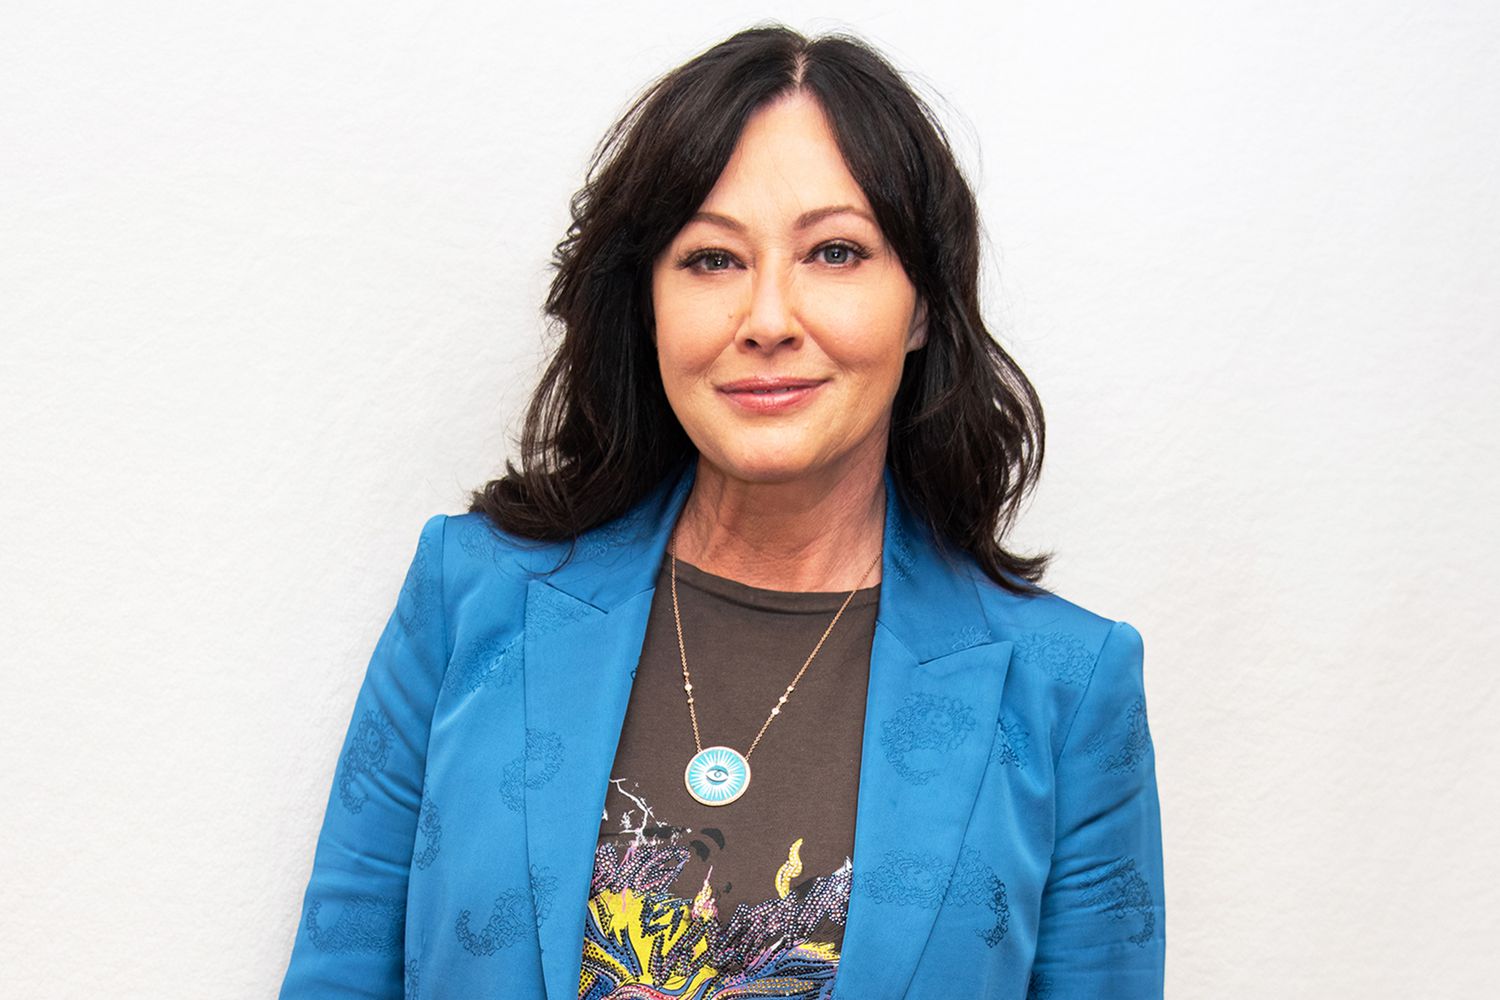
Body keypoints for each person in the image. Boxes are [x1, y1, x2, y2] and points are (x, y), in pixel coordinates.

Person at [278, 23, 1164, 1000]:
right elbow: (337, 975)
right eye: (711, 259)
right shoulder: (472, 598)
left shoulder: (1065, 688)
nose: (769, 319)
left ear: (922, 305)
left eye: (835, 251)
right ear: (647, 303)